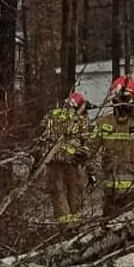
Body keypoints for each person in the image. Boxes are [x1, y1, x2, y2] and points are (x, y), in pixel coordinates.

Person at [92, 76, 134, 216]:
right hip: (111, 194)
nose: (121, 105)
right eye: (118, 100)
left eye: (125, 100)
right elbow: (90, 150)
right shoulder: (104, 123)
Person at [41, 92, 93, 225]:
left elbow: (42, 132)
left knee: (58, 192)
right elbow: (87, 142)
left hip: (53, 159)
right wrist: (90, 169)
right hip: (72, 160)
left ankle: (65, 225)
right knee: (74, 192)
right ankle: (74, 225)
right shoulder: (81, 119)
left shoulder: (53, 114)